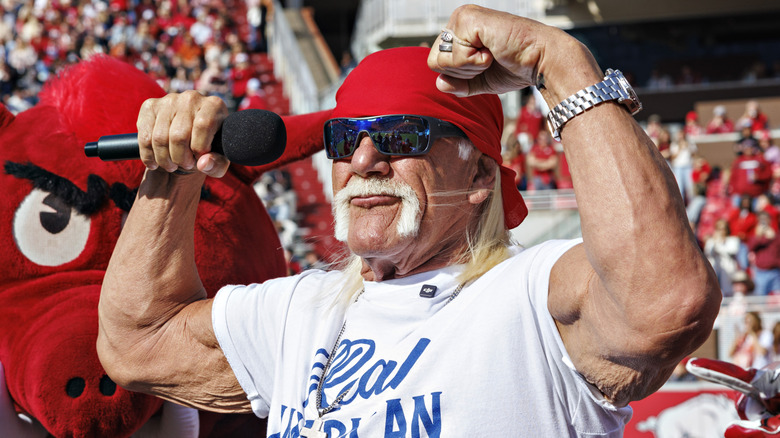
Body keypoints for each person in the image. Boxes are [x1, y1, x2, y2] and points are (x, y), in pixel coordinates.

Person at [96, 5, 720, 437]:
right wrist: (173, 171)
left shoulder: (527, 297)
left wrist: (558, 63)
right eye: (344, 139)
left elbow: (666, 301)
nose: (365, 160)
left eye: (401, 136)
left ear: (479, 179)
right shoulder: (301, 313)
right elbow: (136, 344)